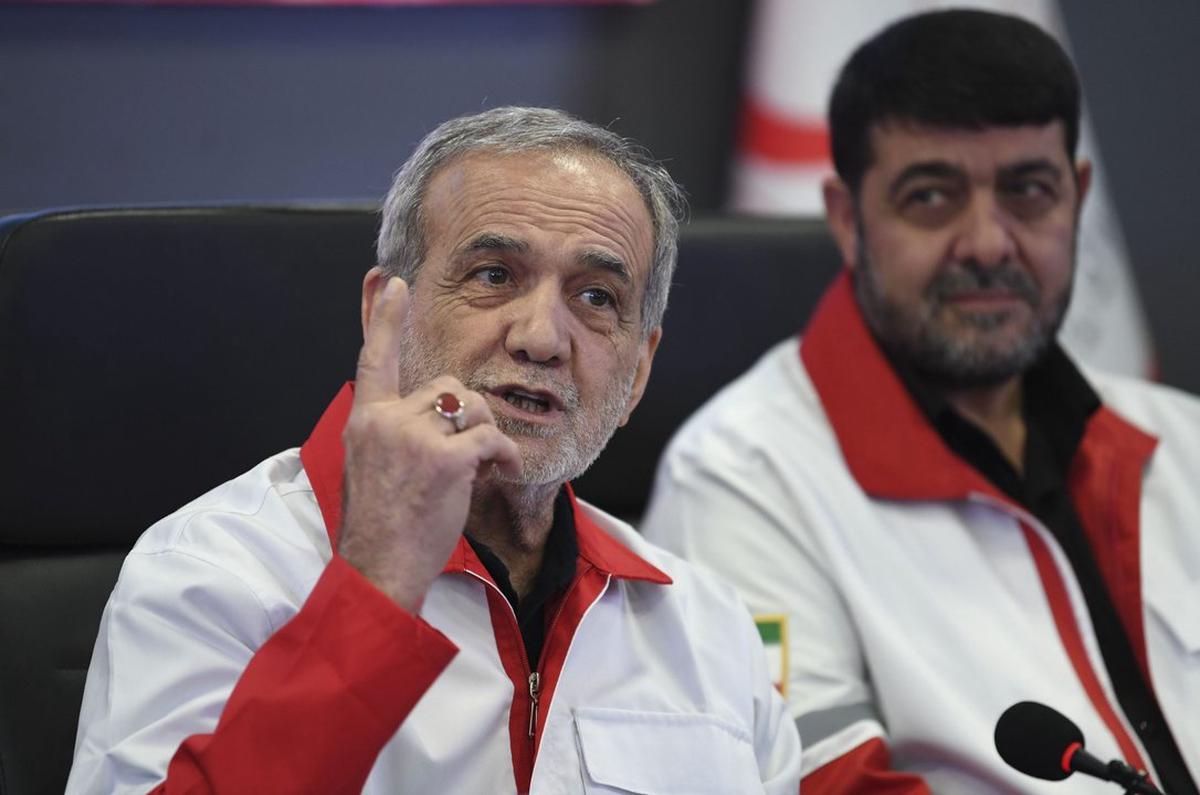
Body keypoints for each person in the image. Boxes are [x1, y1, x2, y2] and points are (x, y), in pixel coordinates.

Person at [66, 107, 801, 794]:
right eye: (494, 275)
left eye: (596, 297)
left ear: (638, 371)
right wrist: (376, 587)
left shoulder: (708, 627)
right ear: (382, 312)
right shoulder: (213, 572)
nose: (542, 338)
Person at [643, 10, 1199, 794]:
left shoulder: (1182, 439)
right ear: (848, 220)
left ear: (1076, 198)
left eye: (1028, 191)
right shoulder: (741, 478)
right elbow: (816, 785)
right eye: (932, 196)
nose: (989, 242)